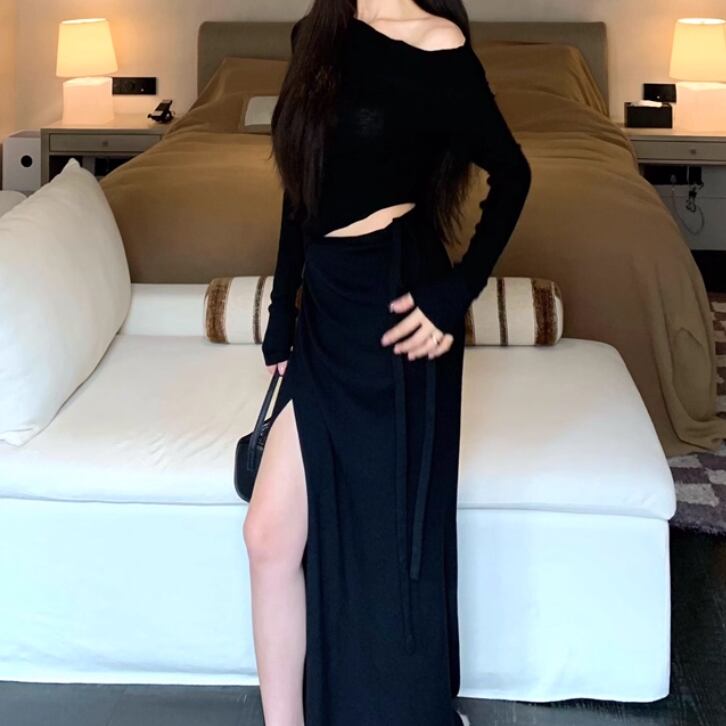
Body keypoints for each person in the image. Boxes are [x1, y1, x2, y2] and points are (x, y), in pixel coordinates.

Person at [243, 2, 531, 724]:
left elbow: (512, 174)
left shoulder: (437, 42)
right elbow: (300, 188)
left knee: (392, 542)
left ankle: (411, 704)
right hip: (326, 310)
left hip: (395, 312)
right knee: (268, 535)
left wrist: (453, 295)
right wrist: (282, 317)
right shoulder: (317, 33)